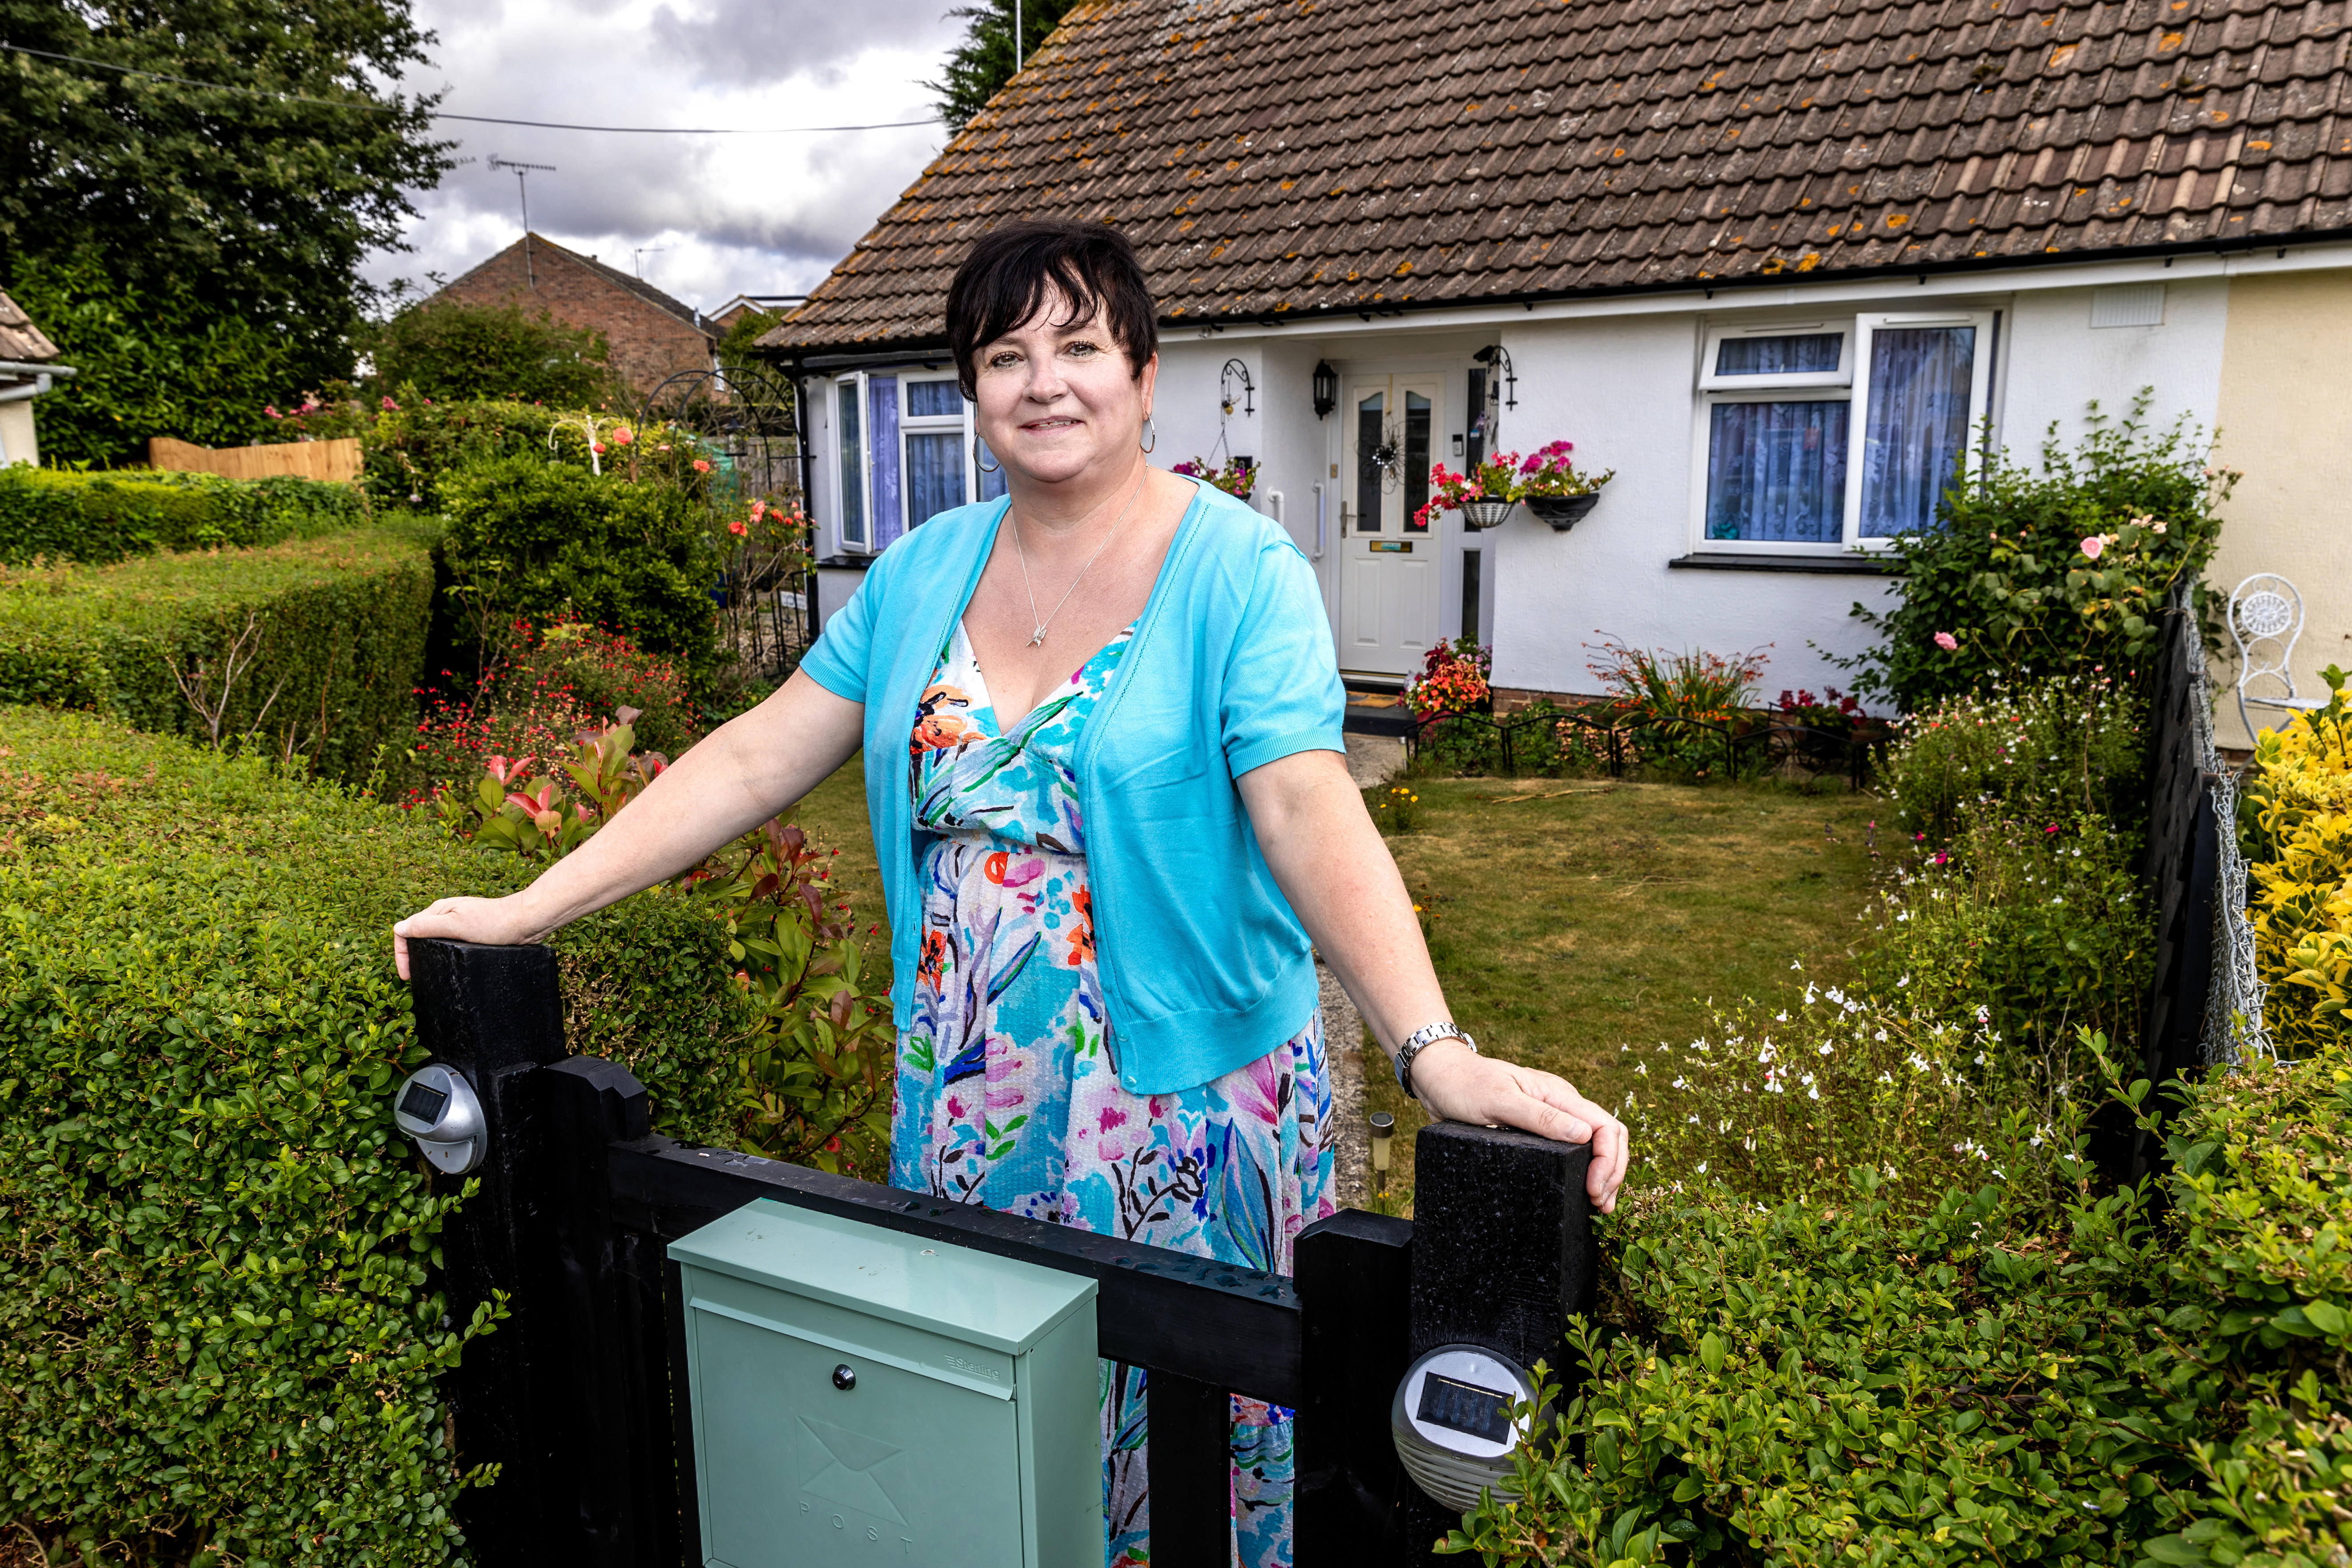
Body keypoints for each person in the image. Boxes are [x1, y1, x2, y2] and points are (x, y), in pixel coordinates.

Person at [393, 218, 1628, 1565]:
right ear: (972, 391)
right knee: (996, 1433)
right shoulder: (924, 569)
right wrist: (525, 912)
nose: (1045, 381)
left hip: (1183, 1116)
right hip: (972, 1102)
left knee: (1192, 1444)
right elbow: (756, 753)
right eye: (1004, 354)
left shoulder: (1237, 571)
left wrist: (1431, 1051)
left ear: (1145, 376)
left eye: (1081, 346)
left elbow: (1301, 801)